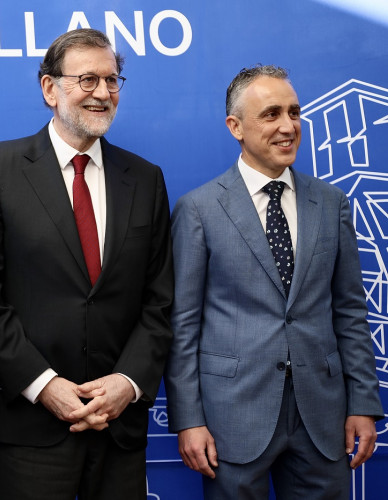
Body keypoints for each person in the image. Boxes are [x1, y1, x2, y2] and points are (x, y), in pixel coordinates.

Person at [0, 28, 174, 499]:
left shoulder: (145, 179)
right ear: (49, 89)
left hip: (118, 425)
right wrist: (44, 386)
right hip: (33, 425)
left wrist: (127, 383)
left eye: (112, 80)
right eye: (87, 80)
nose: (102, 93)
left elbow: (161, 299)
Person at [164, 65, 384, 499]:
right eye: (271, 114)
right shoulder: (199, 210)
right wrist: (188, 419)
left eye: (294, 112)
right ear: (236, 127)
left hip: (321, 415)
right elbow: (182, 325)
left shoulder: (331, 203)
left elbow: (350, 312)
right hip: (232, 418)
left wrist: (362, 402)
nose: (288, 127)